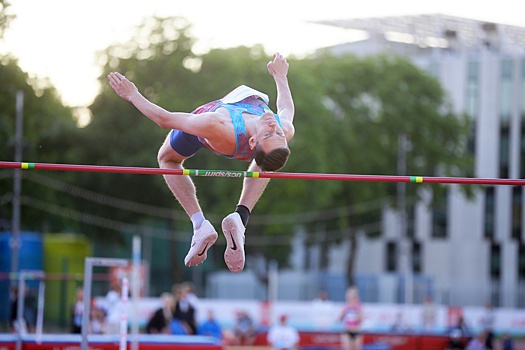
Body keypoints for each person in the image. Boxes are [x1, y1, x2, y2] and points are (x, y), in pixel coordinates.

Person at [108, 53, 295, 273]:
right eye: (278, 133)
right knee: (267, 162)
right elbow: (285, 108)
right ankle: (240, 218)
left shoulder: (216, 124)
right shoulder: (284, 128)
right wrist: (281, 76)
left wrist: (133, 94)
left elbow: (165, 119)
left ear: (253, 141)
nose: (275, 127)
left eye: (269, 134)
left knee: (166, 159)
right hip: (239, 135)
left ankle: (200, 224)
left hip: (204, 131)